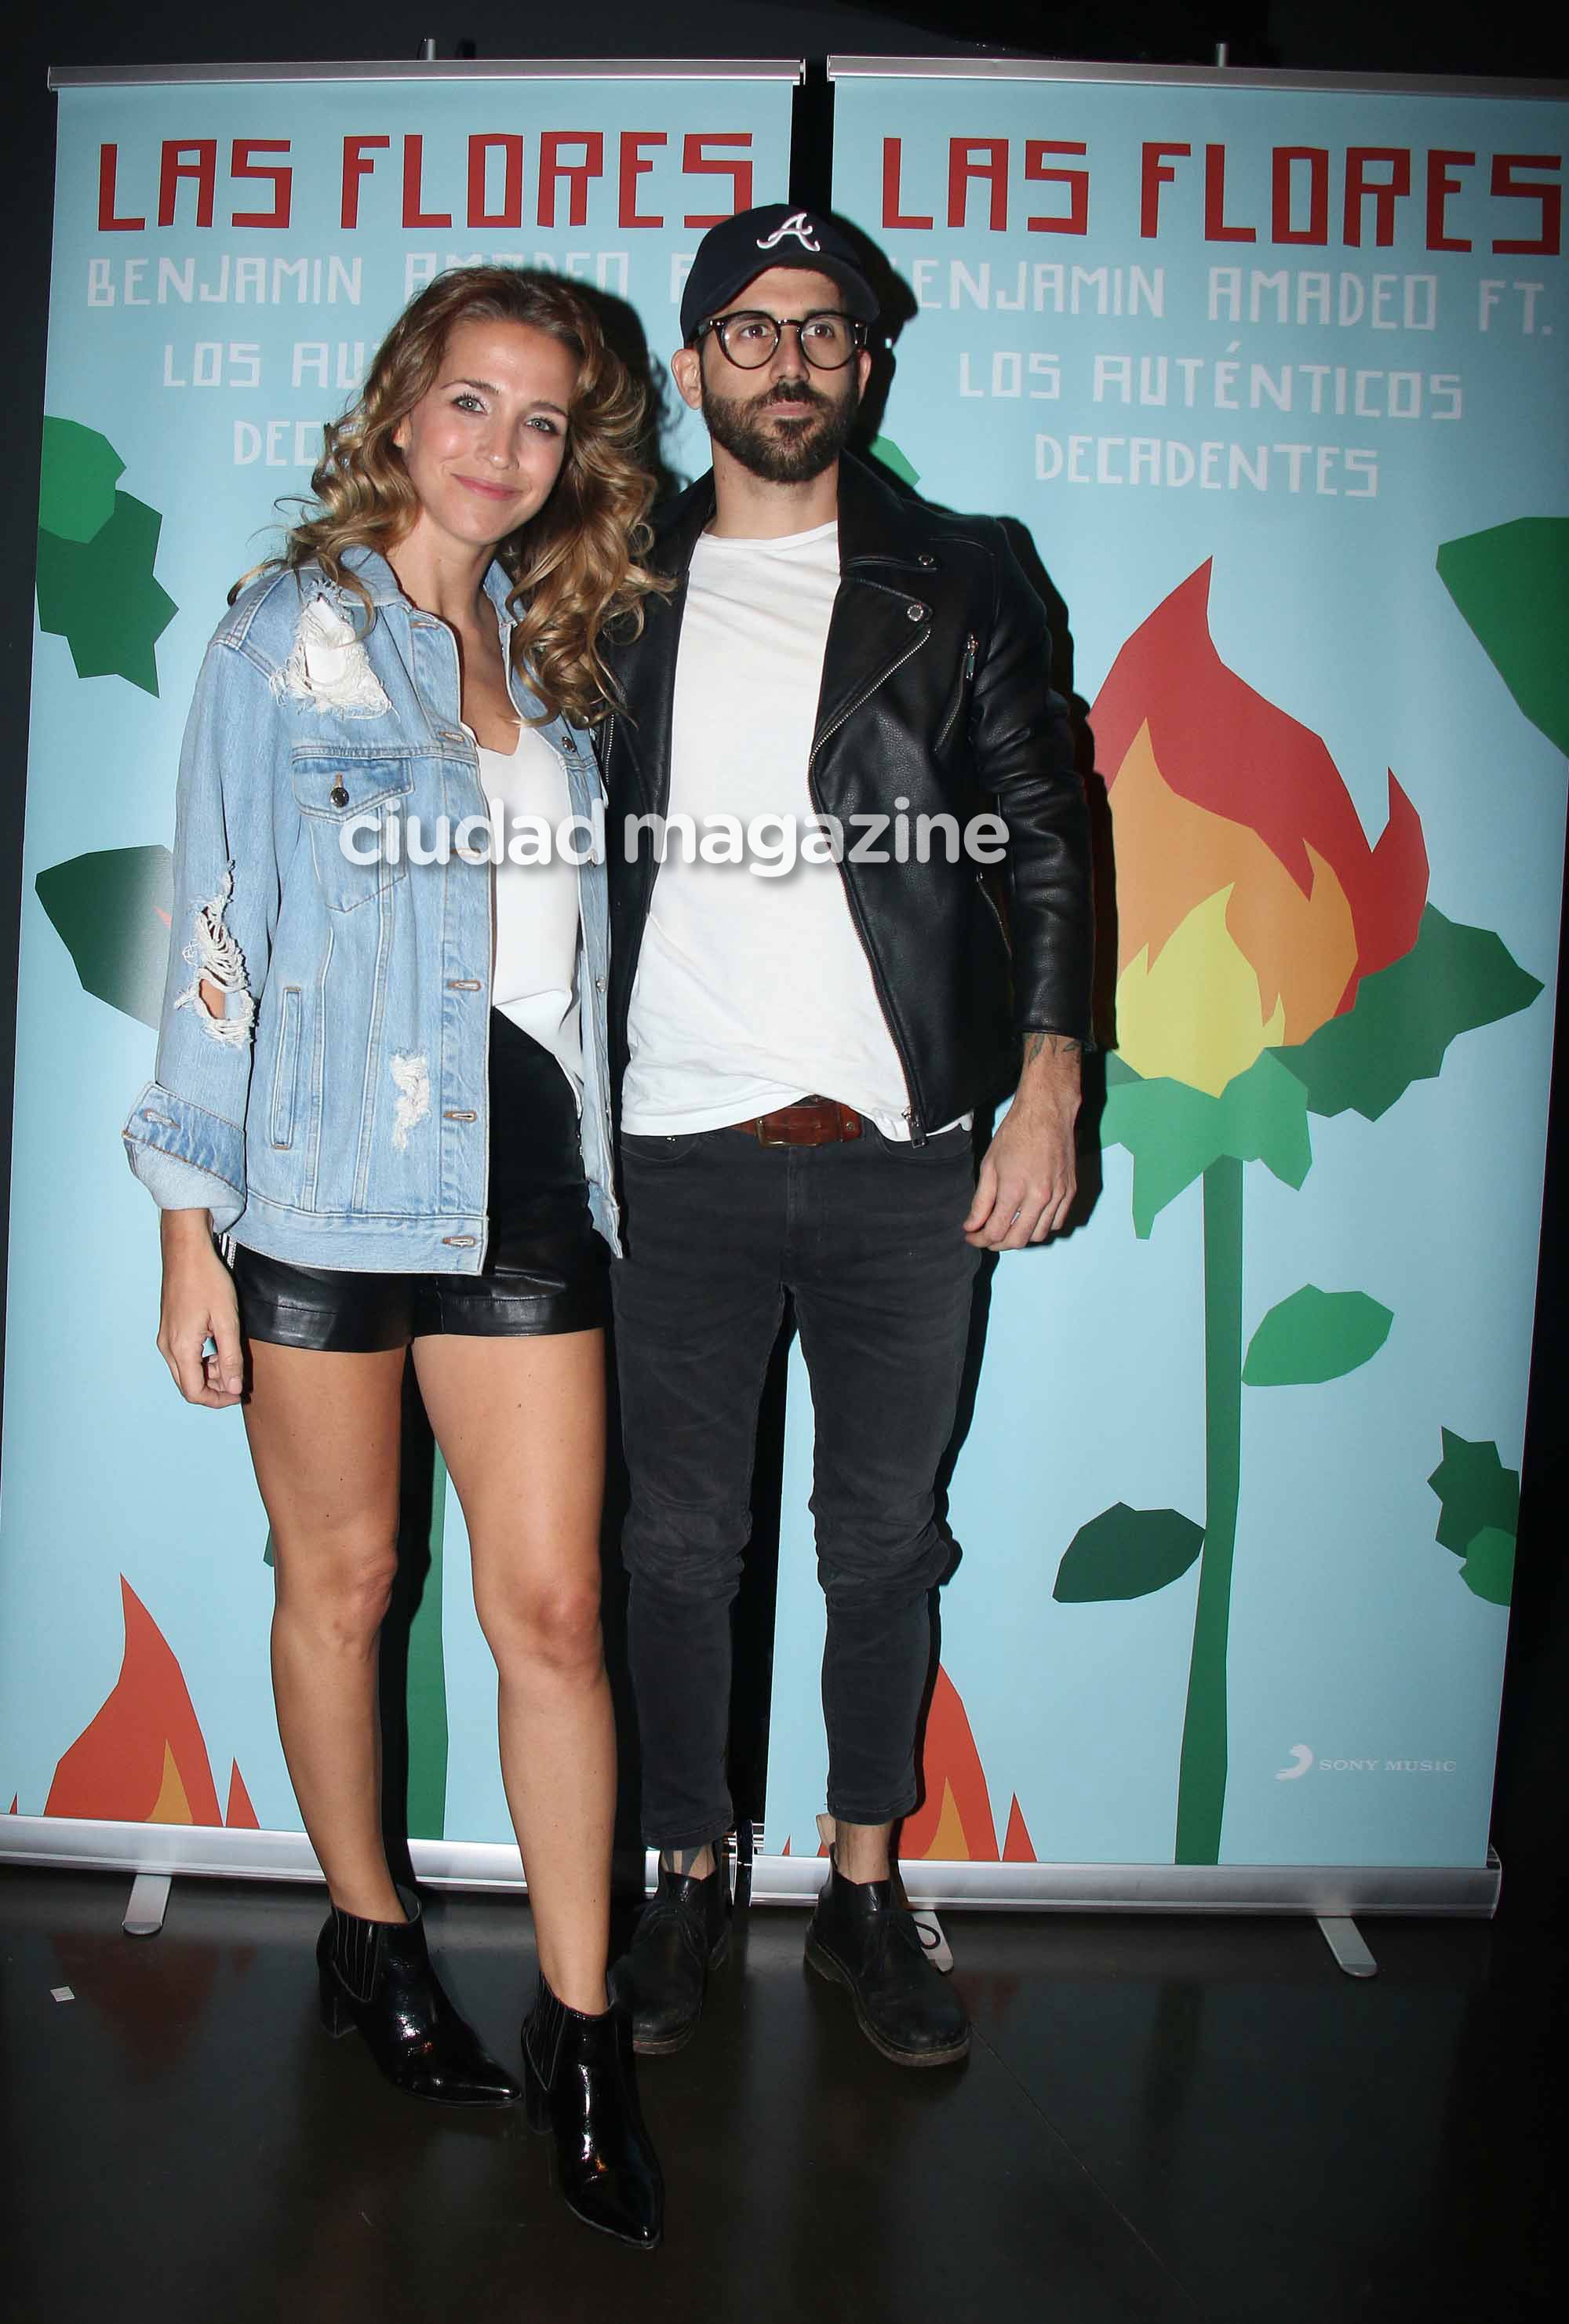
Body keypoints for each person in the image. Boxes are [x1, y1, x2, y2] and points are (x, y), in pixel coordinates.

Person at [122, 266, 664, 2248]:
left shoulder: (554, 643)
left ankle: (586, 2034)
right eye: (470, 402)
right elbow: (218, 926)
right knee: (342, 1579)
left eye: (541, 419)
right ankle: (369, 1934)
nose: (502, 447)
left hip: (524, 1177)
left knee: (551, 1613)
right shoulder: (285, 636)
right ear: (399, 409)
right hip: (319, 1175)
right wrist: (188, 1218)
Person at [598, 206, 1094, 2067]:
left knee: (884, 1539)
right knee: (674, 1545)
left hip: (905, 1152)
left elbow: (1051, 829)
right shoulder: (611, 574)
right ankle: (679, 1873)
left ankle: (865, 1889)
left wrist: (1050, 1079)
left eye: (821, 330)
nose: (786, 361)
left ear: (866, 362)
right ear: (694, 363)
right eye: (748, 329)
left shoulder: (962, 573)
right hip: (671, 1156)